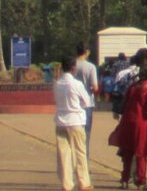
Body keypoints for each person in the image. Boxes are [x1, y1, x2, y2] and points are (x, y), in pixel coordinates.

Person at [107, 57, 147, 188]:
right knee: (141, 153)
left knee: (127, 152)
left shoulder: (132, 87)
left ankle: (125, 179)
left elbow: (124, 104)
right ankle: (141, 180)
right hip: (141, 124)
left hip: (128, 122)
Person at [54, 54, 94, 191]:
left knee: (63, 155)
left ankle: (66, 184)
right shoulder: (77, 84)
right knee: (80, 153)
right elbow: (87, 102)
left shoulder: (57, 84)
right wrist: (78, 105)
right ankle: (83, 183)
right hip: (75, 121)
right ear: (73, 68)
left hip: (61, 121)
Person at [73, 44, 99, 149]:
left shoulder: (71, 65)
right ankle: (84, 157)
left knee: (74, 133)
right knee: (86, 134)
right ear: (87, 52)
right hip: (86, 102)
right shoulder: (90, 67)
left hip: (73, 101)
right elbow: (95, 87)